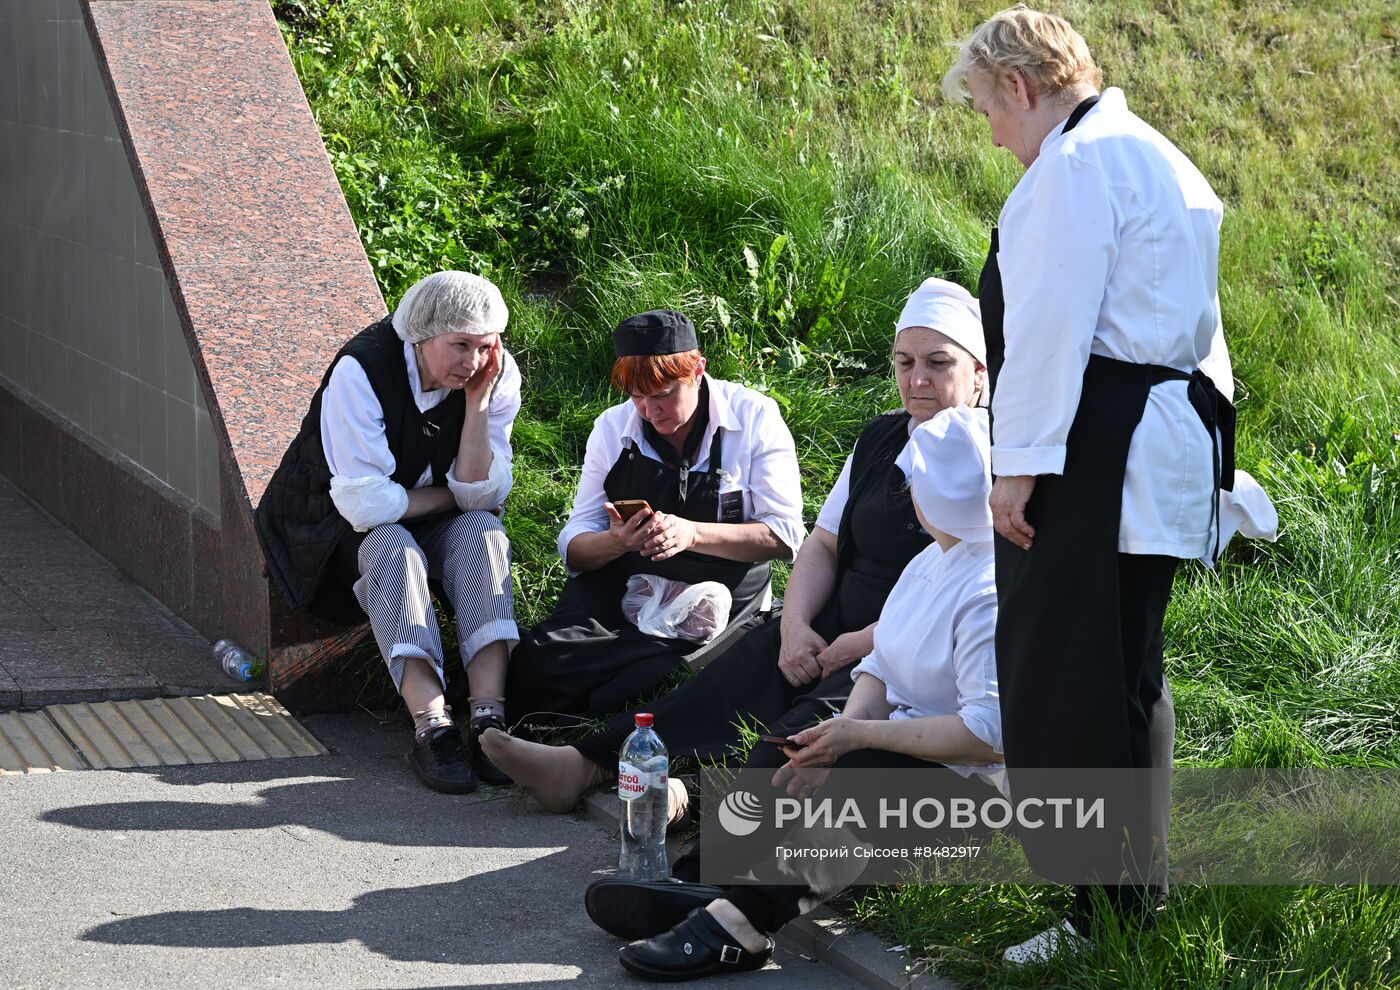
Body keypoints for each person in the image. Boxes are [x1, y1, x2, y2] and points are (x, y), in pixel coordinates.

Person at [943, 5, 1272, 964]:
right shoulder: (1161, 157)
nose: (992, 135)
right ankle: (1130, 903)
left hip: (1095, 445)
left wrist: (1016, 470)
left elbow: (1047, 333)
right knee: (1127, 674)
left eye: (987, 110)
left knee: (1071, 678)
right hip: (1152, 439)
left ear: (1020, 86)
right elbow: (1199, 336)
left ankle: (1104, 914)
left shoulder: (1075, 168)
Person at [483, 279, 989, 813]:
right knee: (726, 684)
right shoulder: (880, 437)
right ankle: (582, 764)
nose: (917, 380)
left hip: (911, 643)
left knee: (809, 727)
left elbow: (967, 587)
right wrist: (795, 626)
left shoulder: (994, 459)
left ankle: (691, 797)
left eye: (938, 363)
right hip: (830, 616)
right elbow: (822, 544)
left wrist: (865, 642)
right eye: (904, 363)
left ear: (979, 371)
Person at [583, 405, 1004, 981]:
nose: (908, 496)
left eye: (916, 484)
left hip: (972, 793)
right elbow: (881, 663)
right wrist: (836, 736)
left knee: (863, 789)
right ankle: (699, 883)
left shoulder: (991, 591)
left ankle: (742, 926)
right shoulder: (936, 558)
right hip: (901, 741)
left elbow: (986, 736)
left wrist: (858, 738)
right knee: (786, 753)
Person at [256, 271, 522, 794]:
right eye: (460, 345)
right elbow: (367, 505)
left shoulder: (494, 373)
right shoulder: (363, 370)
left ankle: (489, 719)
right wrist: (452, 495)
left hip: (424, 515)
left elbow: (481, 498)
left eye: (485, 345)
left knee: (483, 533)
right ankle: (432, 725)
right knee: (392, 546)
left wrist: (476, 405)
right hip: (329, 528)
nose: (474, 361)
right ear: (422, 336)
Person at [504, 309, 805, 725]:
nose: (649, 412)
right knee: (539, 662)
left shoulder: (754, 418)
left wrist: (692, 534)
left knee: (654, 679)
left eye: (662, 395)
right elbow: (576, 546)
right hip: (628, 578)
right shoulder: (612, 428)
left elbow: (784, 536)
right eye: (637, 397)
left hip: (717, 591)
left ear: (697, 371)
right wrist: (615, 542)